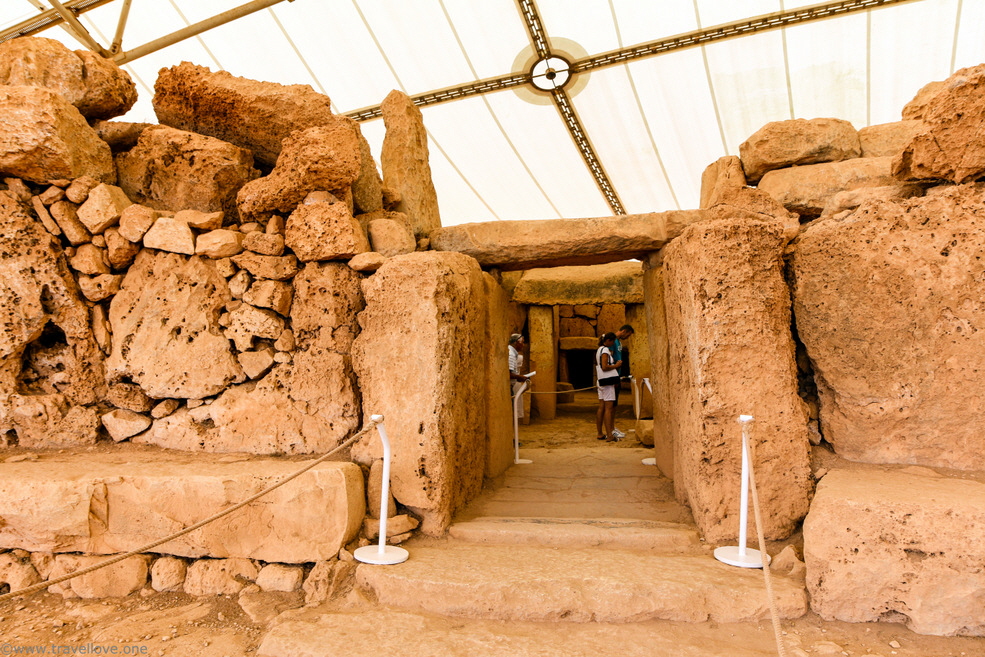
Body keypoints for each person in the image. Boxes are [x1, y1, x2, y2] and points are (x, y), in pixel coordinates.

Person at [595, 332, 622, 442]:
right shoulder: (605, 350)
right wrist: (616, 365)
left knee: (601, 407)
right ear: (609, 341)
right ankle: (610, 435)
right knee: (608, 408)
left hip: (601, 381)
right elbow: (605, 367)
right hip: (608, 382)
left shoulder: (599, 349)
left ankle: (600, 433)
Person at [609, 324, 634, 439]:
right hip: (613, 375)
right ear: (624, 331)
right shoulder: (612, 341)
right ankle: (610, 429)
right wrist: (614, 368)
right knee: (610, 405)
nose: (627, 337)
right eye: (628, 335)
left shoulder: (618, 341)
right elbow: (609, 358)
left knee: (614, 405)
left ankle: (612, 427)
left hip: (617, 375)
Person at [508, 334, 528, 418]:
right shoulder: (511, 354)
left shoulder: (512, 352)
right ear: (517, 342)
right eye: (522, 343)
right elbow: (508, 374)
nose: (523, 345)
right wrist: (519, 377)